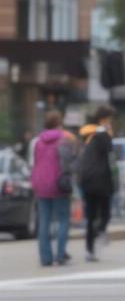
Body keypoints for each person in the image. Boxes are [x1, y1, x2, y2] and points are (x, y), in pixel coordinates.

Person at [31, 111, 76, 266]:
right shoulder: (63, 141)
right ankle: (60, 254)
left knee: (44, 220)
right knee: (63, 219)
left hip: (41, 184)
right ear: (59, 124)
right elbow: (67, 164)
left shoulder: (38, 142)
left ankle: (45, 258)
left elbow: (35, 162)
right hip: (58, 184)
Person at [79, 106, 115, 262]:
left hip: (87, 181)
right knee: (105, 213)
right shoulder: (102, 134)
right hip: (101, 181)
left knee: (91, 216)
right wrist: (107, 131)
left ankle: (89, 250)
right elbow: (110, 149)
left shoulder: (88, 135)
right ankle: (100, 231)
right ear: (105, 119)